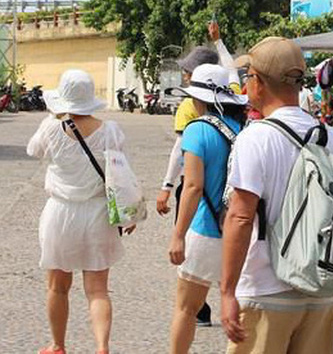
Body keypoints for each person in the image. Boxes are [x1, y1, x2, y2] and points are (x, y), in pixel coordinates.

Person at [220, 37, 333, 354]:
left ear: (258, 82)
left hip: (266, 290)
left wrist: (227, 292)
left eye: (247, 75)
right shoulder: (329, 136)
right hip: (320, 290)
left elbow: (240, 218)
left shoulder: (256, 138)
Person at [27, 70, 135, 354]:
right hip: (98, 213)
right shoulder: (110, 130)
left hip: (61, 212)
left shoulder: (51, 127)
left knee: (57, 286)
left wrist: (54, 116)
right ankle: (101, 347)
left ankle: (58, 345)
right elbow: (122, 172)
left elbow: (33, 150)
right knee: (98, 289)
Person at [157, 22, 239, 326]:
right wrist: (219, 42)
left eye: (188, 71)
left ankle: (201, 309)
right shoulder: (235, 105)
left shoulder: (191, 110)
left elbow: (181, 159)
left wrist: (167, 187)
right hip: (235, 204)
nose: (185, 75)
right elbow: (232, 71)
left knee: (189, 285)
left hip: (202, 194)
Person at [166, 64, 248, 354]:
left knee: (186, 309)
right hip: (241, 233)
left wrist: (178, 235)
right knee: (240, 311)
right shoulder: (243, 129)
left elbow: (192, 187)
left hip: (206, 230)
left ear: (197, 98)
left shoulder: (197, 130)